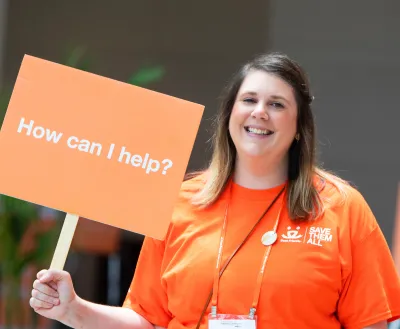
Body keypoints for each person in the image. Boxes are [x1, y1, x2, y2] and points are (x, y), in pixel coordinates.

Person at [29, 52, 400, 329]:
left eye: (277, 104)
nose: (260, 113)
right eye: (250, 100)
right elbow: (147, 319)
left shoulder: (341, 207)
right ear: (229, 117)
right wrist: (73, 309)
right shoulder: (179, 202)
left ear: (300, 126)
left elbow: (371, 323)